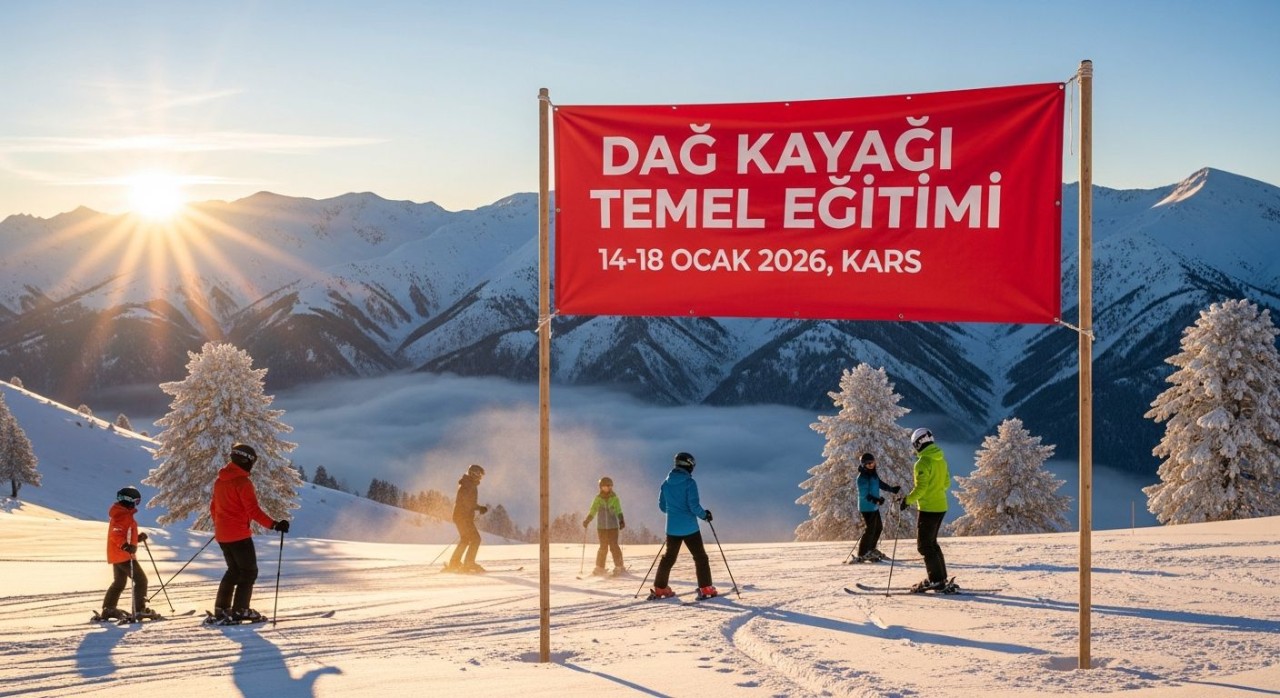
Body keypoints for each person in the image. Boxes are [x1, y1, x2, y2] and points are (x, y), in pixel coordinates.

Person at [210, 443, 290, 623]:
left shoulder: (220, 481)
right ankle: (241, 610)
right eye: (252, 461)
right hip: (239, 535)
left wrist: (221, 526)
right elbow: (253, 510)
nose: (252, 465)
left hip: (223, 534)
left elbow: (213, 507)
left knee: (233, 570)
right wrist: (275, 525)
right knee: (248, 571)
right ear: (245, 460)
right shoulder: (242, 482)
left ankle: (221, 608)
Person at [649, 452, 716, 600]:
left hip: (672, 528)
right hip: (689, 528)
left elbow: (662, 507)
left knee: (668, 558)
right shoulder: (689, 483)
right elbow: (693, 506)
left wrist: (675, 512)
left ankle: (660, 588)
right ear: (689, 465)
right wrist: (705, 515)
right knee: (700, 557)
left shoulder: (666, 483)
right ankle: (705, 588)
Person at [901, 428, 955, 593]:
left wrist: (907, 500)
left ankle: (936, 580)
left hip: (928, 508)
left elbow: (921, 488)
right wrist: (936, 489)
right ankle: (941, 578)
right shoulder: (941, 460)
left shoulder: (922, 463)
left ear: (918, 443)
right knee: (932, 544)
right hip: (941, 506)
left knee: (924, 546)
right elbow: (946, 483)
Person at [100, 486, 151, 620]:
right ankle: (139, 610)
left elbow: (124, 534)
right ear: (129, 500)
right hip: (124, 556)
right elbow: (115, 535)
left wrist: (137, 539)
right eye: (136, 501)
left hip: (118, 555)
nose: (136, 504)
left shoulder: (122, 514)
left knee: (119, 583)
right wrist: (126, 546)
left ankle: (108, 609)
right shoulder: (122, 516)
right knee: (141, 581)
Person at [854, 453, 901, 563]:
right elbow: (863, 494)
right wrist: (876, 500)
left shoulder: (873, 474)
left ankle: (871, 550)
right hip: (866, 507)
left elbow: (880, 484)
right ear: (864, 464)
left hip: (873, 507)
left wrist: (891, 489)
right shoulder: (861, 478)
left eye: (873, 462)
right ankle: (862, 554)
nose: (871, 465)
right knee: (870, 529)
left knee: (878, 528)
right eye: (869, 463)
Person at [445, 464, 489, 573]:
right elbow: (467, 503)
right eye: (479, 474)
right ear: (473, 473)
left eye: (481, 475)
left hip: (460, 516)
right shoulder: (468, 485)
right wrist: (479, 508)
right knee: (476, 539)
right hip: (463, 517)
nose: (480, 477)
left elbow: (468, 503)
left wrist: (477, 509)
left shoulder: (468, 483)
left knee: (465, 539)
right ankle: (469, 563)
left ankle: (454, 563)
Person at [582, 476, 626, 576]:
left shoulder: (614, 498)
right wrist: (587, 520)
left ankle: (619, 566)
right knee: (603, 547)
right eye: (606, 486)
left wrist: (621, 520)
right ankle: (600, 567)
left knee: (614, 546)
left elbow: (619, 510)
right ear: (601, 487)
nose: (608, 487)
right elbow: (593, 511)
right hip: (601, 528)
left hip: (613, 527)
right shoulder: (598, 499)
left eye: (610, 486)